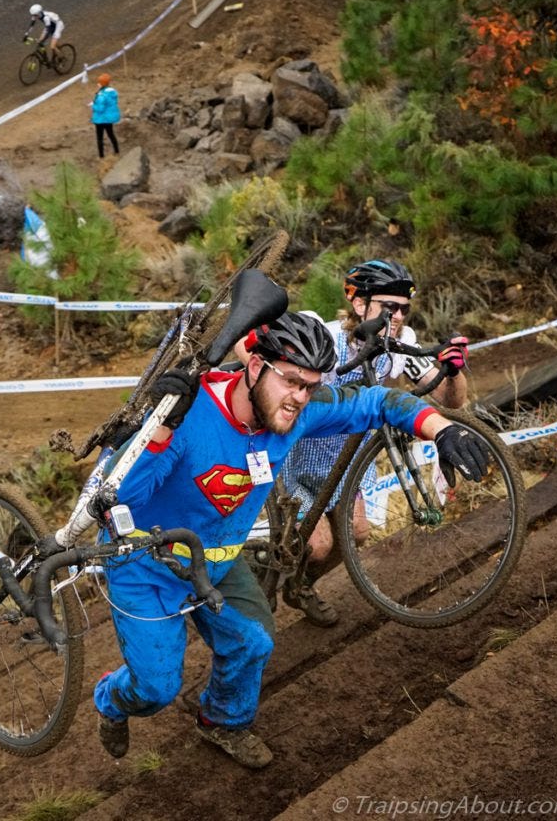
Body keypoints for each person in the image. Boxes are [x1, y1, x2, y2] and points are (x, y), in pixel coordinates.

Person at [92, 311, 490, 767]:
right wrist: (160, 430)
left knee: (254, 642)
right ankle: (110, 701)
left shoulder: (298, 410)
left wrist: (443, 427)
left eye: (310, 385)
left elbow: (376, 401)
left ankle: (221, 721)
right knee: (155, 689)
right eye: (293, 382)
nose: (300, 398)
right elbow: (119, 496)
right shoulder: (189, 415)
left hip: (216, 561)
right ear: (256, 366)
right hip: (146, 567)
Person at [278, 260, 470, 626]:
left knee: (357, 535)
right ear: (358, 304)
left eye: (403, 308)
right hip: (301, 458)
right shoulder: (325, 337)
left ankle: (301, 586)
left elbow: (451, 399)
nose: (397, 315)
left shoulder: (399, 346)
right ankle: (274, 573)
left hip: (349, 462)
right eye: (388, 306)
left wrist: (454, 368)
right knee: (317, 546)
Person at [91, 72, 120, 159]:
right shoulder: (112, 93)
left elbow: (99, 109)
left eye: (99, 83)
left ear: (102, 84)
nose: (98, 84)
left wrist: (93, 105)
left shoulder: (101, 96)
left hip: (100, 120)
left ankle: (101, 156)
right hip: (109, 119)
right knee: (111, 134)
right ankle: (116, 151)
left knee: (99, 138)